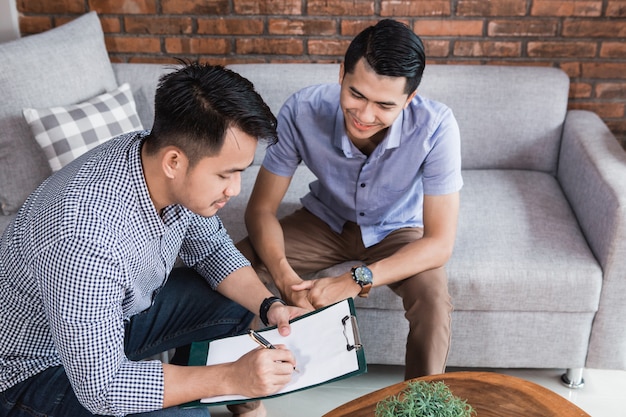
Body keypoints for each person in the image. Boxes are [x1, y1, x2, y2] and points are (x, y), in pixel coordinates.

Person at [0, 62, 306, 417]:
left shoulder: (154, 155)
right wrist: (229, 377)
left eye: (240, 172)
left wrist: (270, 306)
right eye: (225, 174)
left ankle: (242, 403)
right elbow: (104, 390)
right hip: (34, 373)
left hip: (113, 324)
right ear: (174, 161)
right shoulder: (82, 235)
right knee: (186, 415)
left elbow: (213, 251)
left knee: (239, 299)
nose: (234, 190)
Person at [238, 19, 463, 380]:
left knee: (433, 301)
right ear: (341, 73)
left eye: (384, 105)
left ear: (409, 99)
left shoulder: (437, 127)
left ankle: (420, 405)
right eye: (356, 94)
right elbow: (261, 209)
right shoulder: (301, 110)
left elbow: (439, 243)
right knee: (237, 263)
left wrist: (355, 280)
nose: (365, 115)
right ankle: (240, 399)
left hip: (398, 229)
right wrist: (283, 278)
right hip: (323, 220)